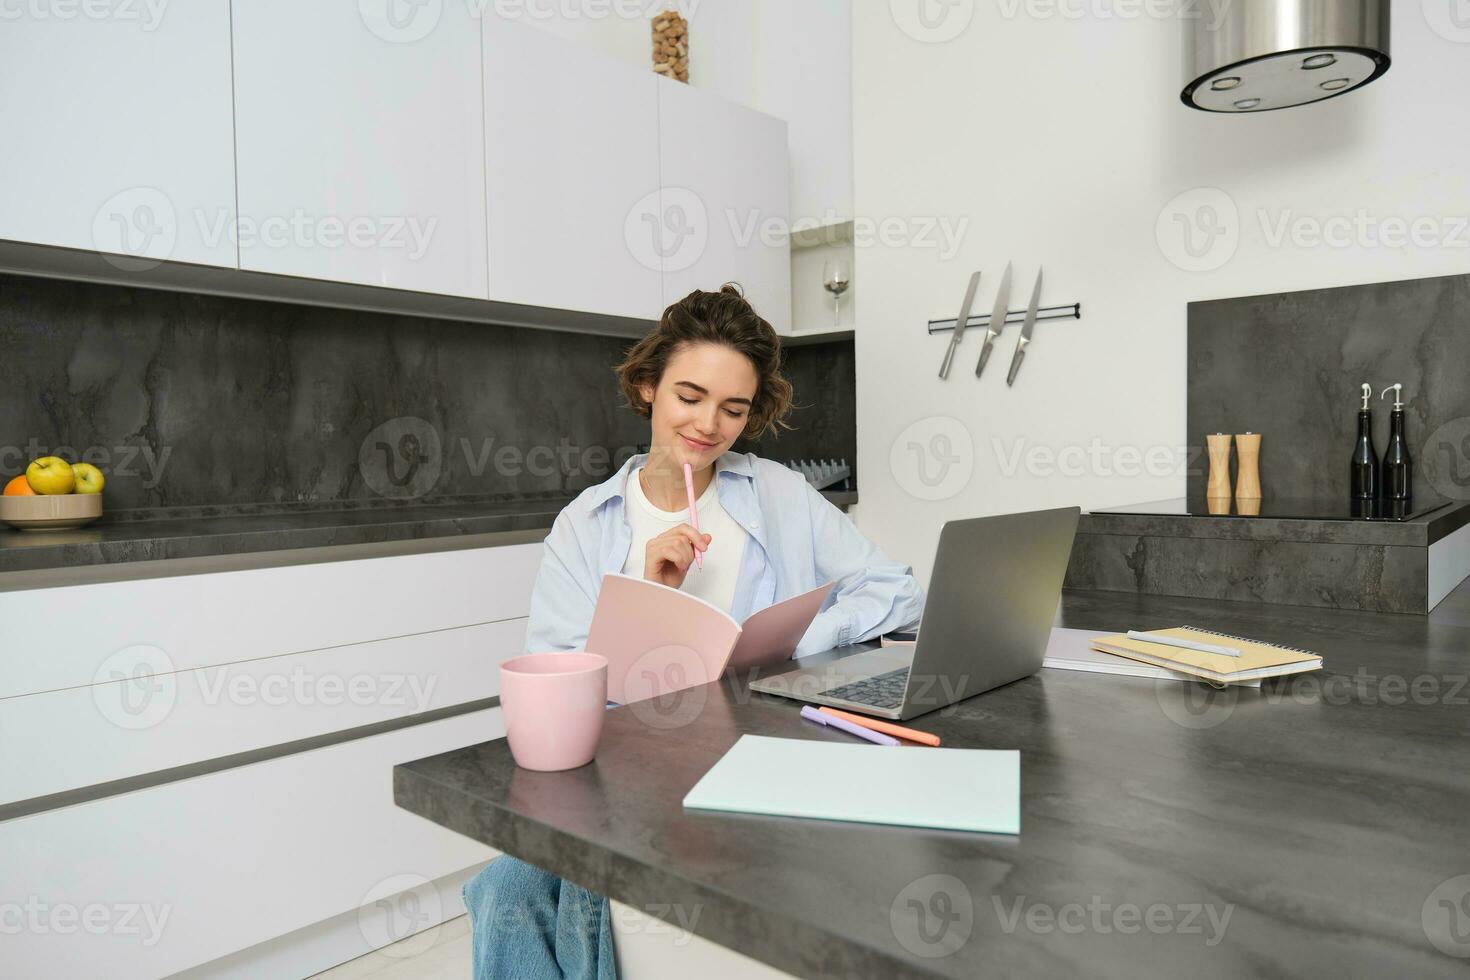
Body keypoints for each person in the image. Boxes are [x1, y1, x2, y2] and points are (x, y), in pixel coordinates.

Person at [464, 284, 926, 978]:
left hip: (756, 756)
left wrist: (799, 637)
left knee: (584, 888)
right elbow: (553, 688)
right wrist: (648, 602)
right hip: (627, 771)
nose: (709, 424)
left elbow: (897, 591)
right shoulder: (585, 526)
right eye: (689, 396)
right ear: (648, 386)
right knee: (505, 888)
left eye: (733, 408)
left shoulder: (777, 494)